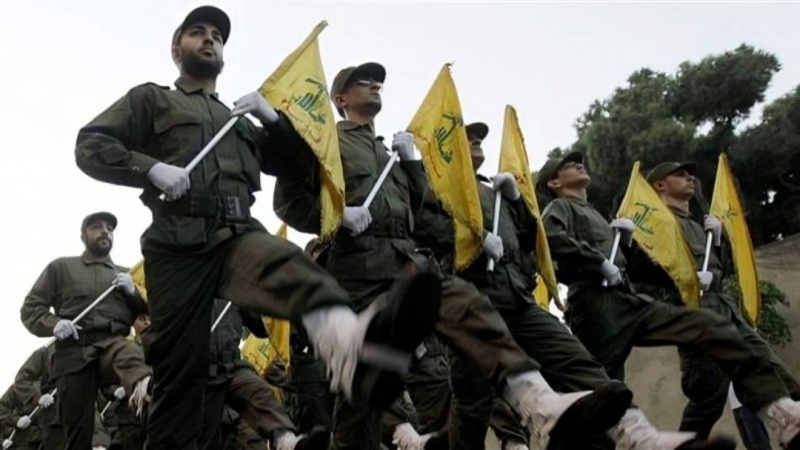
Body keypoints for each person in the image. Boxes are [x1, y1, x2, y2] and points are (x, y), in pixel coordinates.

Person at [74, 6, 440, 449]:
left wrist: (273, 120)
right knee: (180, 373)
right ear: (177, 50)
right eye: (197, 33)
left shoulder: (239, 122)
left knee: (290, 266)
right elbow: (90, 143)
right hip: (178, 244)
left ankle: (349, 348)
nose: (209, 39)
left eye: (217, 36)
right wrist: (149, 168)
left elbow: (297, 167)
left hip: (235, 232)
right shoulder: (153, 100)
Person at [274, 61, 643, 450]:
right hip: (358, 276)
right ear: (341, 99)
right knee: (364, 392)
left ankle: (540, 406)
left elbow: (427, 218)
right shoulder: (328, 142)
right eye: (362, 82)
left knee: (469, 325)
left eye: (378, 81)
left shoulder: (390, 153)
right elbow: (288, 202)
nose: (374, 85)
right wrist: (336, 217)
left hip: (405, 272)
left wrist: (416, 169)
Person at [538, 151, 800, 450]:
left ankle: (785, 412)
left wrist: (629, 245)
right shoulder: (561, 207)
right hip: (595, 302)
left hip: (627, 298)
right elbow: (550, 238)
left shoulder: (595, 213)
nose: (578, 164)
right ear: (554, 183)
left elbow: (647, 269)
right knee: (601, 387)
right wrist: (597, 262)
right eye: (567, 165)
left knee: (715, 332)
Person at [640, 161, 800, 445]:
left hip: (726, 310)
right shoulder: (659, 228)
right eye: (680, 174)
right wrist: (687, 282)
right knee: (707, 399)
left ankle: (793, 421)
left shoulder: (697, 224)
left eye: (690, 173)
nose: (690, 177)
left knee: (768, 365)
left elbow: (723, 269)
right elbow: (646, 280)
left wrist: (718, 240)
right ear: (660, 185)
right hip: (697, 318)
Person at [20, 212, 151, 449]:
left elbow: (154, 311)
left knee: (129, 353)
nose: (105, 231)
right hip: (73, 354)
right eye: (96, 227)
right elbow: (31, 308)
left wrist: (133, 292)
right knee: (78, 432)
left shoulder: (126, 274)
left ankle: (146, 392)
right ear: (83, 236)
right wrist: (53, 323)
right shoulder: (62, 268)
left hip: (111, 344)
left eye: (109, 228)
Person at [201, 299, 328, 450]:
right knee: (206, 436)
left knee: (261, 393)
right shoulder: (190, 293)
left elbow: (260, 327)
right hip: (200, 374)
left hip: (231, 366)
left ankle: (287, 441)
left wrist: (265, 310)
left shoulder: (232, 294)